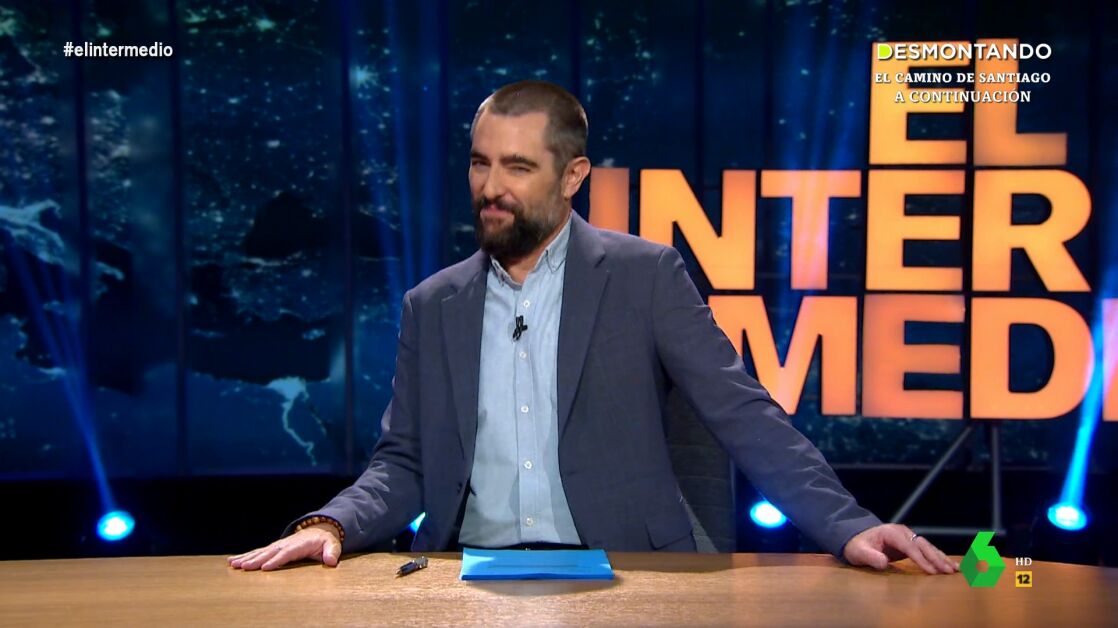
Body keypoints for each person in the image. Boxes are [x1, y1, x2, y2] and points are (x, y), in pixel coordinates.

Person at [229, 80, 959, 575]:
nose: (491, 188)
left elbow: (744, 414)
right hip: (464, 576)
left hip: (624, 574)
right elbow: (405, 463)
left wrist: (848, 525)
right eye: (480, 164)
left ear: (573, 176)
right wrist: (330, 525)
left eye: (518, 167)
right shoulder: (434, 303)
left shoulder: (645, 276)